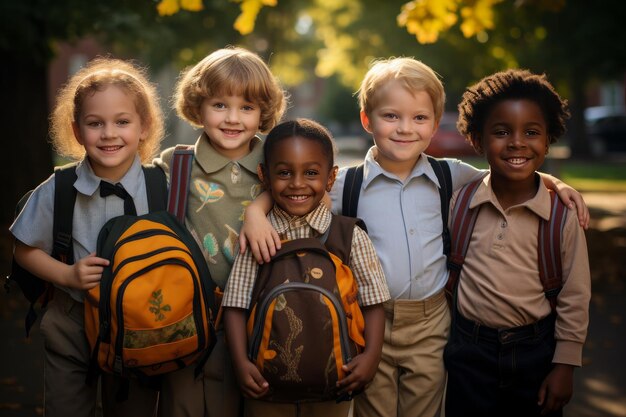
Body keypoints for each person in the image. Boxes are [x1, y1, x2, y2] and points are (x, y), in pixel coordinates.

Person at [242, 57, 589, 417]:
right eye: (391, 116)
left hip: (431, 324)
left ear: (435, 123)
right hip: (367, 321)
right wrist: (256, 210)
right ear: (367, 120)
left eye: (419, 118)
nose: (405, 128)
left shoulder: (450, 176)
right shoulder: (344, 184)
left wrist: (556, 183)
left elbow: (510, 171)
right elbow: (299, 188)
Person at [10, 58, 164, 416]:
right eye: (95, 123)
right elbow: (23, 248)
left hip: (141, 325)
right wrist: (66, 275)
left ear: (144, 126)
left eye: (122, 122)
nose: (109, 133)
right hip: (72, 320)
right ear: (77, 131)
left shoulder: (160, 185)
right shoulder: (59, 187)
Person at [443, 69, 591, 417]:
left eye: (531, 132)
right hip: (469, 354)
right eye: (501, 132)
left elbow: (575, 295)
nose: (517, 142)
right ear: (478, 140)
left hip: (535, 353)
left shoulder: (561, 215)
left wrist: (565, 366)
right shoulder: (460, 202)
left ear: (548, 139)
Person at [222, 118, 390, 417]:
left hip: (337, 379)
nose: (297, 183)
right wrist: (240, 362)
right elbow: (235, 304)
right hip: (265, 385)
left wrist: (372, 356)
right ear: (264, 175)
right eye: (284, 173)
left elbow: (374, 301)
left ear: (330, 178)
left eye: (311, 173)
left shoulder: (349, 236)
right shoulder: (259, 236)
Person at [153, 46, 287, 417]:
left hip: (265, 318)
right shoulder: (174, 165)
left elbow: (320, 199)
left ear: (262, 112)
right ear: (198, 106)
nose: (233, 119)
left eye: (247, 107)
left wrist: (259, 210)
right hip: (190, 318)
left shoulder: (277, 164)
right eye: (219, 105)